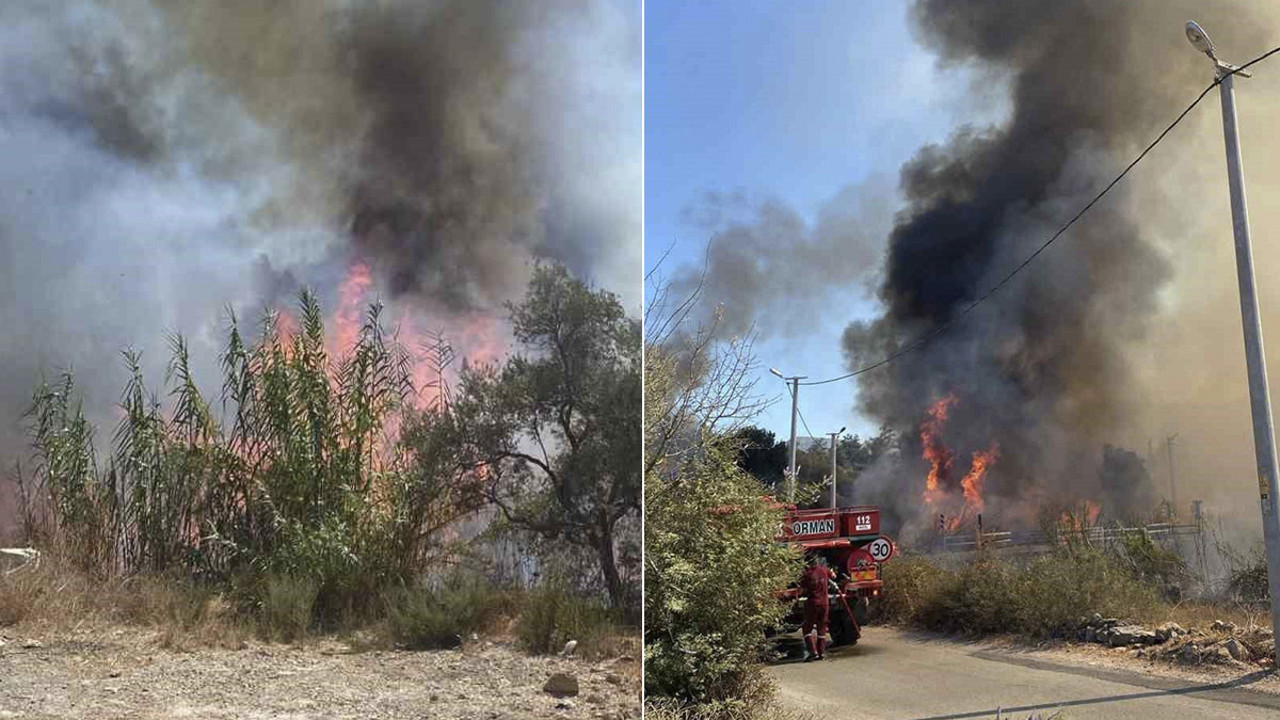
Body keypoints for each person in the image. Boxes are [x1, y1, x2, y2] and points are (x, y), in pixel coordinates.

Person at [799, 552, 835, 661]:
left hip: (813, 604)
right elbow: (834, 576)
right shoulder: (824, 570)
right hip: (825, 603)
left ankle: (813, 652)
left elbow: (801, 588)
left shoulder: (807, 574)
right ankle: (821, 653)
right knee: (822, 628)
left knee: (807, 629)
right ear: (817, 561)